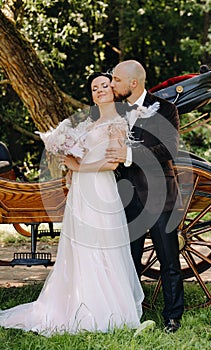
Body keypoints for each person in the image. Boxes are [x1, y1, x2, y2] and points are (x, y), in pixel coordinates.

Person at [0, 72, 144, 336]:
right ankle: (76, 301)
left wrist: (78, 166)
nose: (99, 90)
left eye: (104, 86)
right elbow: (84, 155)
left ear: (113, 90)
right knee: (78, 246)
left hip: (101, 189)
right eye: (94, 88)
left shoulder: (116, 123)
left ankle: (104, 308)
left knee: (100, 245)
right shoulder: (91, 123)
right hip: (81, 191)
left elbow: (112, 163)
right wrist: (70, 168)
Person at [105, 60, 184, 333]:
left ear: (133, 83)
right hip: (127, 198)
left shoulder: (167, 110)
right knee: (129, 260)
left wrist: (128, 155)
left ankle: (173, 317)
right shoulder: (113, 112)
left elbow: (168, 150)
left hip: (161, 196)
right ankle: (130, 313)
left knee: (169, 260)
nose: (112, 84)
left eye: (116, 80)